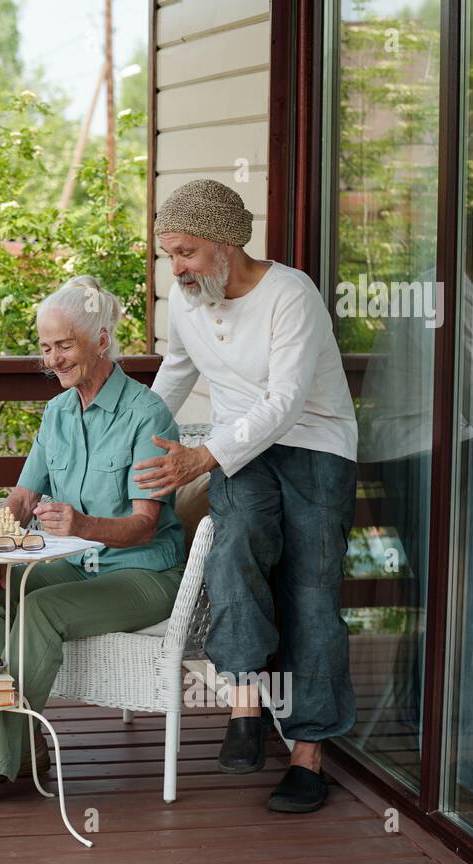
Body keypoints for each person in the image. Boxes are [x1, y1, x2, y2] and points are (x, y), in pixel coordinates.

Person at [0, 276, 187, 819]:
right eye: (45, 347)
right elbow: (21, 498)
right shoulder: (58, 412)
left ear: (101, 341)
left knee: (39, 608)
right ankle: (22, 745)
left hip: (144, 575)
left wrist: (82, 525)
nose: (53, 359)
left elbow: (144, 527)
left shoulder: (146, 414)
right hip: (79, 567)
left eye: (64, 345)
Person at [135, 178, 359, 813]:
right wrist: (135, 439)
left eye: (186, 252)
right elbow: (176, 371)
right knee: (233, 550)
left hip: (316, 444)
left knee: (312, 593)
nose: (175, 268)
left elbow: (286, 402)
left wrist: (203, 456)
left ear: (226, 246)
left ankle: (309, 754)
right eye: (168, 254)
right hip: (241, 447)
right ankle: (246, 705)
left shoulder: (292, 294)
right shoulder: (185, 300)